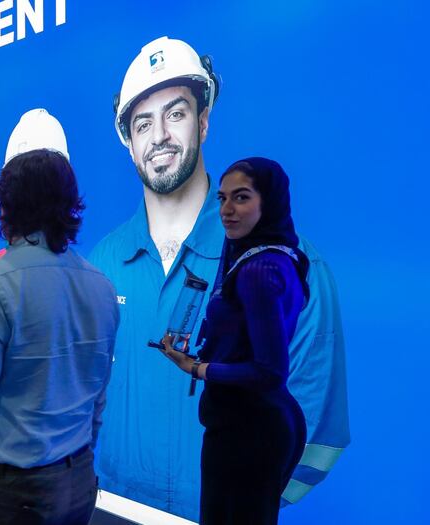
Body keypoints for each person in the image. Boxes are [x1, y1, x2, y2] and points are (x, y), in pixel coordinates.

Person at [88, 36, 350, 519]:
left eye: (177, 113)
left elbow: (318, 425)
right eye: (142, 123)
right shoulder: (101, 266)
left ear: (204, 120)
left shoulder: (289, 265)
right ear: (128, 144)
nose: (160, 135)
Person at [0, 109, 119, 525]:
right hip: (76, 485)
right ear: (68, 199)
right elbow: (96, 402)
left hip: (8, 494)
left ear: (7, 199)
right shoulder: (102, 288)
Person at [160, 157, 308, 524]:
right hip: (257, 422)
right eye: (222, 199)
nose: (227, 210)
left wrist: (198, 368)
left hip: (249, 430)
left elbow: (269, 371)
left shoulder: (258, 269)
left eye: (241, 198)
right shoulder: (278, 257)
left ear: (268, 202)